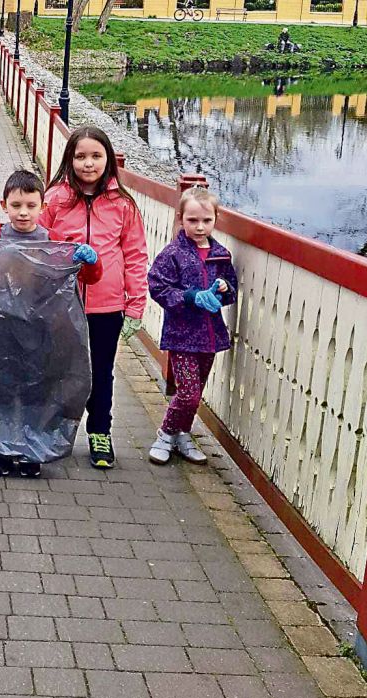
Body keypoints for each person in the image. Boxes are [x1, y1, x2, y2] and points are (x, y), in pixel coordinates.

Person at [0, 169, 102, 477]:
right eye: (16, 205)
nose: (23, 212)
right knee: (3, 390)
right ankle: (2, 449)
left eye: (31, 206)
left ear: (43, 206)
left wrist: (91, 262)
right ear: (3, 205)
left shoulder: (54, 241)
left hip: (42, 331)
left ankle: (33, 449)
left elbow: (89, 277)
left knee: (37, 390)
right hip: (0, 328)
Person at [39, 125, 148, 470]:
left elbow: (135, 255)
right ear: (69, 159)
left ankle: (100, 431)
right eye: (81, 156)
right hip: (62, 304)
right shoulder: (55, 198)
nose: (88, 163)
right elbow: (38, 245)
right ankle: (51, 431)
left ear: (108, 160)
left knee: (101, 373)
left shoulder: (123, 204)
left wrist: (135, 305)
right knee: (58, 370)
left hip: (106, 306)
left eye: (96, 156)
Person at [146, 186, 238, 465]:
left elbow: (232, 290)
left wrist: (223, 289)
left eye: (206, 220)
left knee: (196, 393)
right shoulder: (173, 253)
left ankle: (182, 434)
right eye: (193, 220)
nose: (200, 227)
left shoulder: (221, 255)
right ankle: (165, 434)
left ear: (216, 219)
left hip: (209, 336)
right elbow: (158, 287)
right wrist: (190, 297)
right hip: (182, 336)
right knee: (187, 393)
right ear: (181, 218)